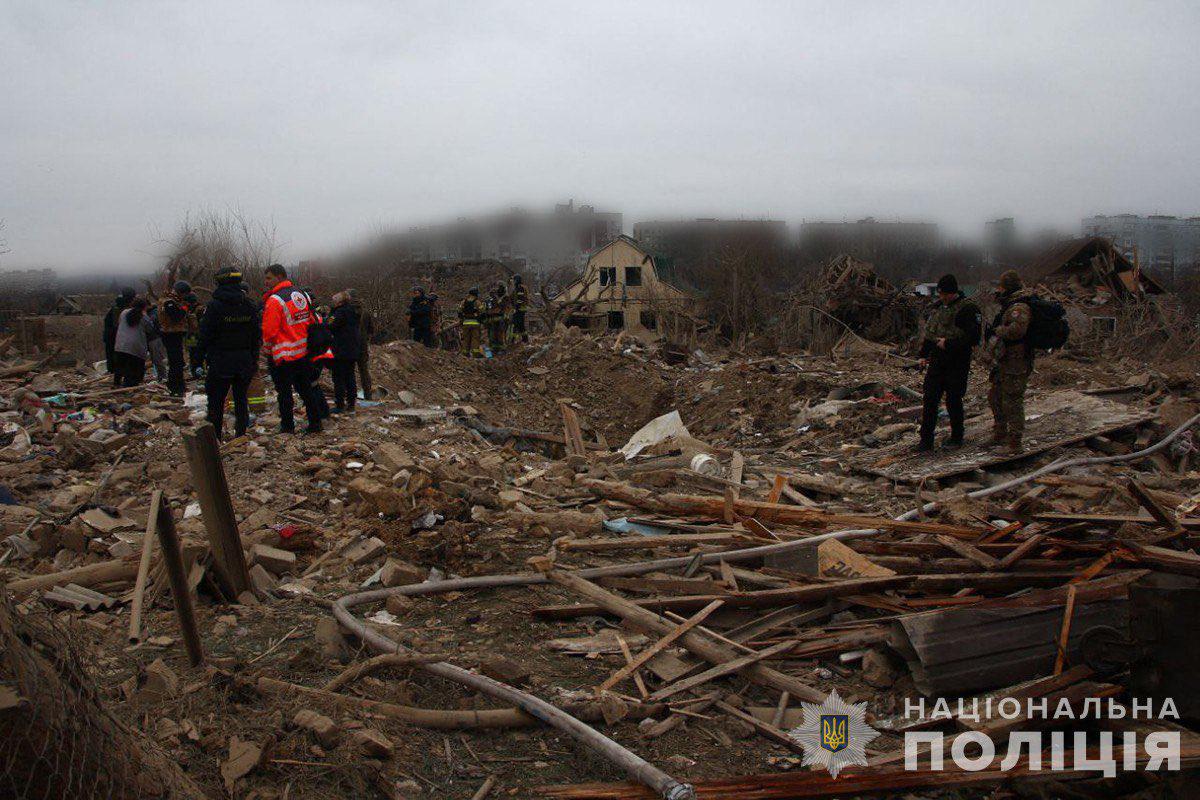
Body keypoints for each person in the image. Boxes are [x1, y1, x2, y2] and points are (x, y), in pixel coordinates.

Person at [916, 274, 981, 452]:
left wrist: (949, 344)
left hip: (957, 361)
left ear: (954, 292)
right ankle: (925, 441)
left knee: (953, 400)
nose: (943, 297)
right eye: (941, 294)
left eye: (946, 294)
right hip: (937, 361)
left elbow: (973, 338)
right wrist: (922, 355)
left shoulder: (968, 309)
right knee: (930, 399)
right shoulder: (938, 308)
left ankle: (957, 437)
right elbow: (930, 335)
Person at [197, 266, 261, 439]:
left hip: (220, 361)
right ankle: (241, 435)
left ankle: (215, 438)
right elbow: (256, 336)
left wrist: (198, 360)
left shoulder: (214, 306)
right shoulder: (249, 305)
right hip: (244, 360)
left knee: (216, 402)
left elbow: (204, 335)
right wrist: (253, 360)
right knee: (241, 400)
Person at [261, 264, 322, 434]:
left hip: (282, 356)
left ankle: (288, 427)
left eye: (269, 278)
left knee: (284, 393)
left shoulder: (274, 300)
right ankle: (315, 424)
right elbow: (310, 321)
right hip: (302, 352)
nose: (266, 282)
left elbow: (269, 331)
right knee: (306, 390)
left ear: (279, 277)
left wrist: (267, 350)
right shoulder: (300, 294)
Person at [986, 270, 1035, 454]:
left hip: (1017, 361)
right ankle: (1000, 433)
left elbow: (1018, 330)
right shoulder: (1009, 304)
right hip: (1005, 360)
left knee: (1012, 401)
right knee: (995, 396)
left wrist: (999, 331)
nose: (998, 289)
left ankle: (1015, 443)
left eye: (1001, 286)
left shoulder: (1019, 306)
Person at [157, 280, 195, 396]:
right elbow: (176, 316)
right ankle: (175, 387)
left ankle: (178, 384)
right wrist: (185, 306)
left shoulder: (172, 301)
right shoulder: (169, 302)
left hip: (174, 334)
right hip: (171, 334)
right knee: (176, 362)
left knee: (178, 361)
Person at [328, 291, 361, 413]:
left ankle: (340, 404)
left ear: (339, 302)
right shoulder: (353, 311)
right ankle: (351, 403)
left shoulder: (340, 312)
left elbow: (330, 325)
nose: (332, 302)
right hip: (352, 349)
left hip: (341, 350)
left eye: (334, 300)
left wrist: (330, 313)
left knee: (338, 378)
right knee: (350, 377)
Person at [112, 297, 152, 387]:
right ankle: (129, 386)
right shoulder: (143, 316)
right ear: (144, 307)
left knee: (120, 366)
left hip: (120, 343)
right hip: (135, 345)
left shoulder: (124, 313)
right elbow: (150, 329)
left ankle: (116, 384)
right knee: (132, 368)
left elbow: (119, 323)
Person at [306, 301, 334, 420]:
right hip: (319, 352)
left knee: (311, 384)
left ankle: (319, 414)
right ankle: (322, 411)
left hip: (312, 353)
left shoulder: (309, 317)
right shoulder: (317, 315)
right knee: (313, 383)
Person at [103, 287, 135, 375]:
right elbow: (118, 324)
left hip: (112, 335)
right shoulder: (121, 308)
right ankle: (115, 374)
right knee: (116, 356)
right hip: (114, 335)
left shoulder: (119, 305)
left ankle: (115, 373)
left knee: (114, 355)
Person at [350, 290, 375, 399]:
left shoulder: (346, 310)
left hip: (349, 345)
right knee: (364, 370)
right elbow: (371, 330)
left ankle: (351, 397)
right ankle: (368, 395)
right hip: (362, 345)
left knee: (349, 372)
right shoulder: (366, 312)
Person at [459, 288, 483, 357]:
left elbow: (459, 311)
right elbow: (482, 311)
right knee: (475, 338)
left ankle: (465, 353)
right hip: (475, 323)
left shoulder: (463, 302)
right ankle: (475, 353)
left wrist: (462, 319)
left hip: (466, 323)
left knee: (466, 339)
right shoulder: (477, 302)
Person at [511, 274, 530, 344]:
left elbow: (520, 299)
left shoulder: (520, 288)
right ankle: (523, 339)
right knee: (519, 324)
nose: (513, 282)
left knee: (517, 323)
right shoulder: (517, 288)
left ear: (517, 280)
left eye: (514, 280)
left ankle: (518, 339)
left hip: (520, 309)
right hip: (519, 309)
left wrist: (516, 308)